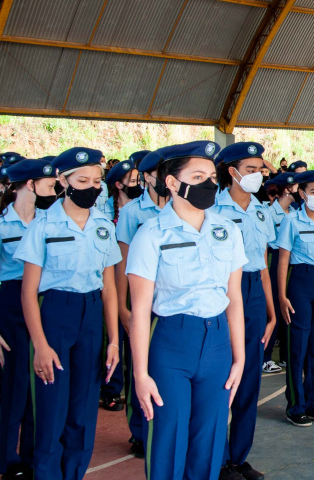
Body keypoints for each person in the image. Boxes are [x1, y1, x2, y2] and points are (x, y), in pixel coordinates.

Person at [126, 140, 247, 480]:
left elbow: (234, 298)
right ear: (172, 182)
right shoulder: (151, 234)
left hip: (218, 342)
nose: (209, 183)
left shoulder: (227, 230)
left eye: (212, 176)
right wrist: (140, 375)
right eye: (197, 176)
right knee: (169, 436)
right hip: (171, 343)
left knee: (209, 440)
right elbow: (139, 311)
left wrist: (239, 358)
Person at [16, 147, 121, 480]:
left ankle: (74, 473)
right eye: (82, 181)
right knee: (51, 408)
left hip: (91, 316)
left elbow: (109, 288)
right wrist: (40, 345)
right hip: (54, 314)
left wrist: (113, 340)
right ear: (63, 181)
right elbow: (28, 292)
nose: (92, 187)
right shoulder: (43, 226)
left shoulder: (103, 225)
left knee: (83, 408)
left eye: (97, 181)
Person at [212, 142, 277, 480]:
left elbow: (263, 264)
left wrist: (271, 312)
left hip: (252, 293)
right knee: (221, 377)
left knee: (250, 376)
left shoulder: (262, 211)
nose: (257, 175)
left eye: (259, 170)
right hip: (222, 292)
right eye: (250, 170)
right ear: (232, 172)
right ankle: (218, 458)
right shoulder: (213, 209)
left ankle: (238, 457)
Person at [0, 159, 56, 479]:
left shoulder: (49, 222)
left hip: (43, 300)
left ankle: (33, 457)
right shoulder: (2, 224)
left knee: (40, 381)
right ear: (29, 186)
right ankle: (8, 460)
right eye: (48, 185)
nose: (54, 191)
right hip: (10, 303)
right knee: (14, 385)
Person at [113, 150, 168, 458]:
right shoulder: (133, 212)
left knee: (162, 365)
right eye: (161, 173)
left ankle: (160, 424)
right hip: (139, 297)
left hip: (167, 298)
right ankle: (138, 430)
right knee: (138, 362)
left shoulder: (178, 206)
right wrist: (123, 307)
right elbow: (122, 262)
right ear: (147, 177)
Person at [275, 169, 314, 427]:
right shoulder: (292, 220)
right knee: (298, 346)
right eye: (313, 192)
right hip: (300, 280)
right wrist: (282, 296)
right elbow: (283, 260)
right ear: (302, 194)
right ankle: (295, 406)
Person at [99, 160, 142, 414]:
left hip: (133, 278)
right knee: (112, 335)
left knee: (133, 337)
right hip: (110, 277)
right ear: (118, 185)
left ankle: (132, 386)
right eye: (133, 181)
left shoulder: (141, 208)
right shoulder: (104, 211)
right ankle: (111, 388)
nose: (138, 185)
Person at [263, 172, 298, 373]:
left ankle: (285, 355)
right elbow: (268, 244)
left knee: (289, 308)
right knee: (275, 308)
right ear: (287, 189)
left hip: (292, 259)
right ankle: (266, 357)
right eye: (295, 187)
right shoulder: (269, 213)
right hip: (275, 258)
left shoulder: (295, 211)